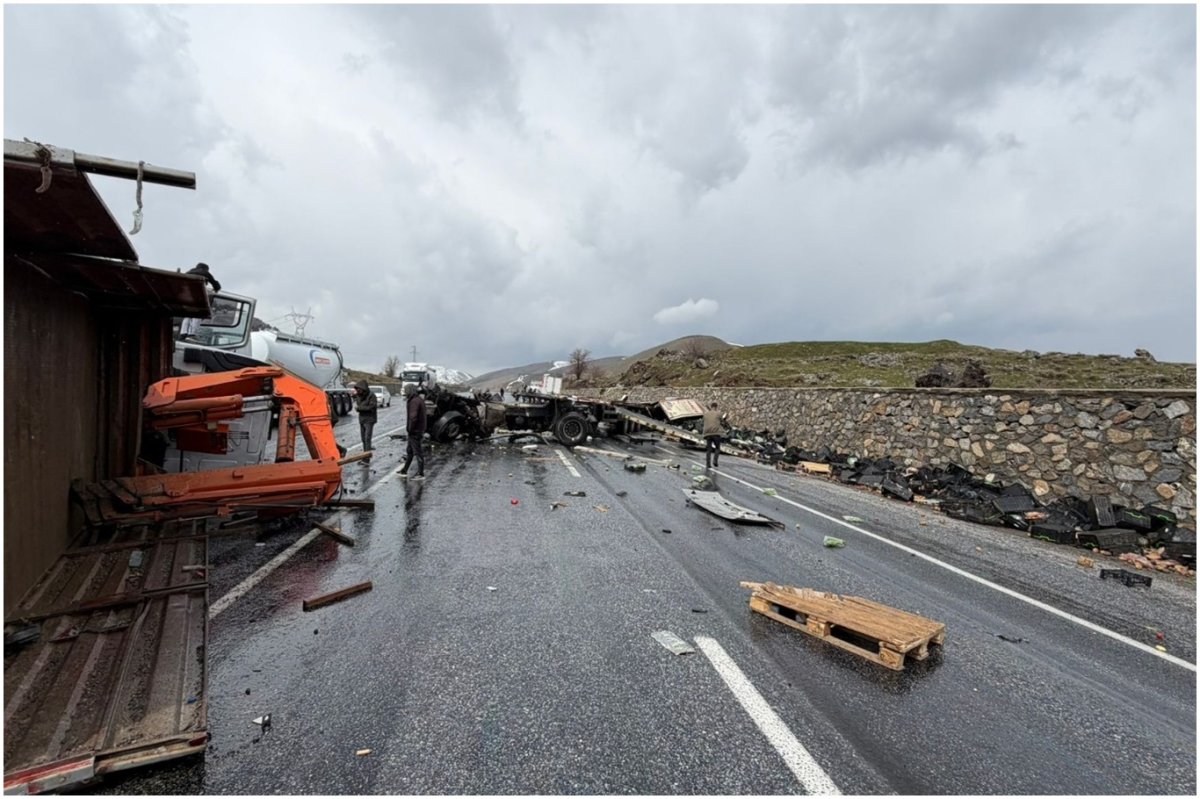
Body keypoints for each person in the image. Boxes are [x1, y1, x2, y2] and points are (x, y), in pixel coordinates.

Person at [180, 262, 222, 339]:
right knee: (198, 314)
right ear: (205, 268)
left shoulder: (188, 272)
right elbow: (215, 284)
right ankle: (192, 334)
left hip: (187, 297)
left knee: (187, 315)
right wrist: (216, 289)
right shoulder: (205, 273)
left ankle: (183, 333)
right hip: (198, 296)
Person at [398, 384, 427, 479]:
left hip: (415, 431)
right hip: (417, 430)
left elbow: (413, 418)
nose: (405, 393)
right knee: (410, 451)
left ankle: (421, 473)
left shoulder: (414, 401)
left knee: (418, 452)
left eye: (406, 390)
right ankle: (404, 470)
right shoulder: (418, 399)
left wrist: (410, 429)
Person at [701, 401, 729, 470]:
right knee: (717, 448)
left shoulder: (706, 414)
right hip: (716, 433)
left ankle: (708, 464)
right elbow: (724, 417)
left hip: (707, 433)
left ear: (711, 407)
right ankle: (715, 461)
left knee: (709, 449)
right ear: (716, 407)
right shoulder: (718, 413)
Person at [352, 379, 378, 452]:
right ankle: (365, 454)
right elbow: (356, 401)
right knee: (363, 439)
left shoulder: (371, 395)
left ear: (363, 388)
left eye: (359, 389)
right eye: (357, 389)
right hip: (362, 419)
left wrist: (359, 408)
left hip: (369, 420)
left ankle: (366, 459)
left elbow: (372, 407)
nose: (358, 391)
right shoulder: (358, 396)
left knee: (367, 438)